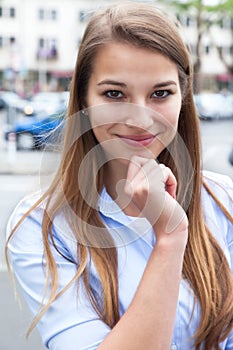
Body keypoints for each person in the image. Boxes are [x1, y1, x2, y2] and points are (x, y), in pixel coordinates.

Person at [6, 2, 233, 350]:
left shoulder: (224, 202)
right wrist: (170, 238)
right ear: (83, 99)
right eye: (114, 94)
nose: (140, 119)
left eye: (160, 93)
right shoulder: (42, 224)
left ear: (183, 97)